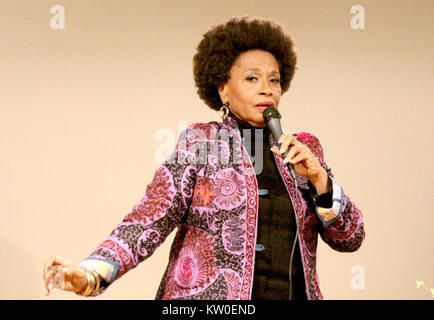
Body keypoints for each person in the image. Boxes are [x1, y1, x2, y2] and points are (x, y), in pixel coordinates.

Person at [43, 16, 365, 300]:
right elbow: (147, 220)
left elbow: (350, 239)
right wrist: (90, 274)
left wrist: (321, 181)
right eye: (252, 78)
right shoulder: (201, 143)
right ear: (224, 89)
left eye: (274, 79)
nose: (266, 89)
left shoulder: (303, 150)